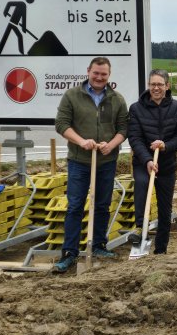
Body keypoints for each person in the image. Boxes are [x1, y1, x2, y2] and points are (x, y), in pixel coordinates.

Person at [53, 57, 128, 273]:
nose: (99, 77)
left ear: (108, 75)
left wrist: (111, 145)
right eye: (96, 73)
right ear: (88, 71)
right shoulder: (72, 96)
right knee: (75, 206)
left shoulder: (117, 99)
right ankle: (69, 253)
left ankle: (98, 246)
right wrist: (81, 141)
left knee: (102, 205)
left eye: (103, 74)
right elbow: (61, 124)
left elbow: (124, 128)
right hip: (79, 161)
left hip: (106, 161)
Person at [127, 69, 177, 254]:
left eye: (160, 84)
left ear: (167, 86)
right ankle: (139, 227)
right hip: (143, 163)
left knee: (165, 208)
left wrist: (166, 145)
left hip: (167, 165)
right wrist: (147, 160)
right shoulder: (136, 108)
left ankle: (161, 249)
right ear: (148, 86)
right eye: (153, 84)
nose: (156, 88)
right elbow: (134, 138)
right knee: (143, 184)